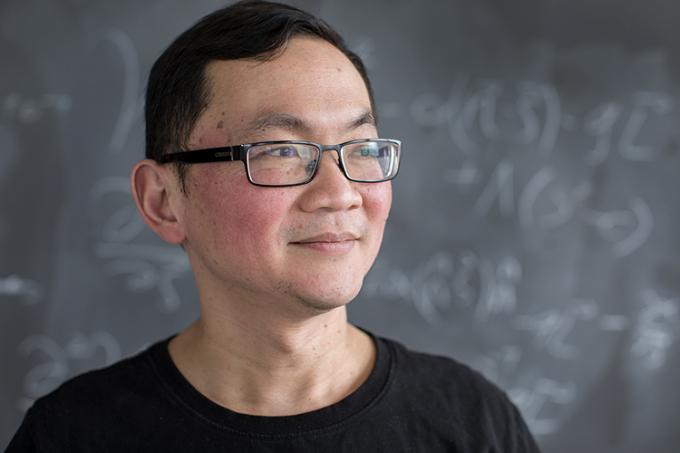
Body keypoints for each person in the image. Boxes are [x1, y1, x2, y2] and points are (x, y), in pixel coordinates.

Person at [7, 1, 540, 451]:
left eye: (361, 148)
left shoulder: (473, 423)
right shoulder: (74, 435)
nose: (340, 193)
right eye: (282, 150)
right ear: (163, 202)